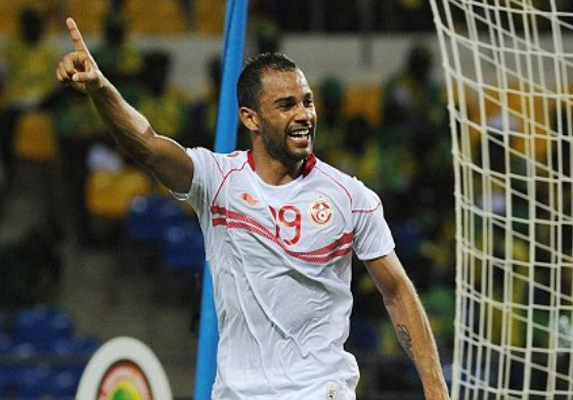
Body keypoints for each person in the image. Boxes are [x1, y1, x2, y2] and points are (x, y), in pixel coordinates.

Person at [56, 18, 449, 399]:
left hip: (319, 391)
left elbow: (396, 290)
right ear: (250, 118)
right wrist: (100, 89)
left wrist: (436, 389)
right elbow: (149, 146)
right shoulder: (218, 182)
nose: (304, 114)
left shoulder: (351, 197)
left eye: (307, 102)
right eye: (286, 105)